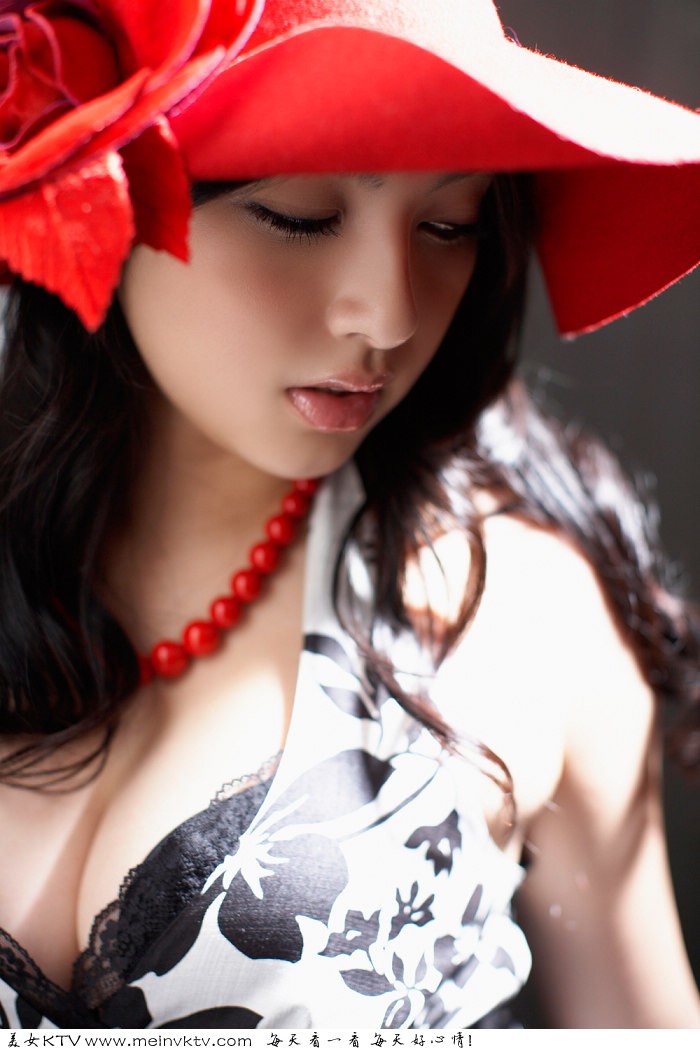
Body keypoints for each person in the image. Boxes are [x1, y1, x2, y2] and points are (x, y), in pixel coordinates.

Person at [0, 0, 698, 1031]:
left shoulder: (518, 617)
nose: (388, 312)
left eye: (448, 225)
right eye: (298, 215)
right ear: (94, 191)